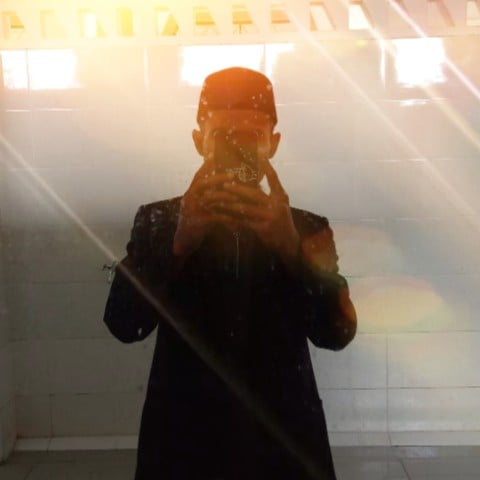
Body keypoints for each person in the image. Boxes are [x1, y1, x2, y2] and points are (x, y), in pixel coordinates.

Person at [103, 67, 357, 480]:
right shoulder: (159, 222)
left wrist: (291, 250)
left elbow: (337, 333)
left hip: (283, 442)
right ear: (199, 141)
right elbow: (123, 323)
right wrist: (179, 243)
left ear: (273, 144)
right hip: (183, 441)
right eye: (224, 136)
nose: (238, 148)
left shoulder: (307, 228)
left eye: (250, 137)